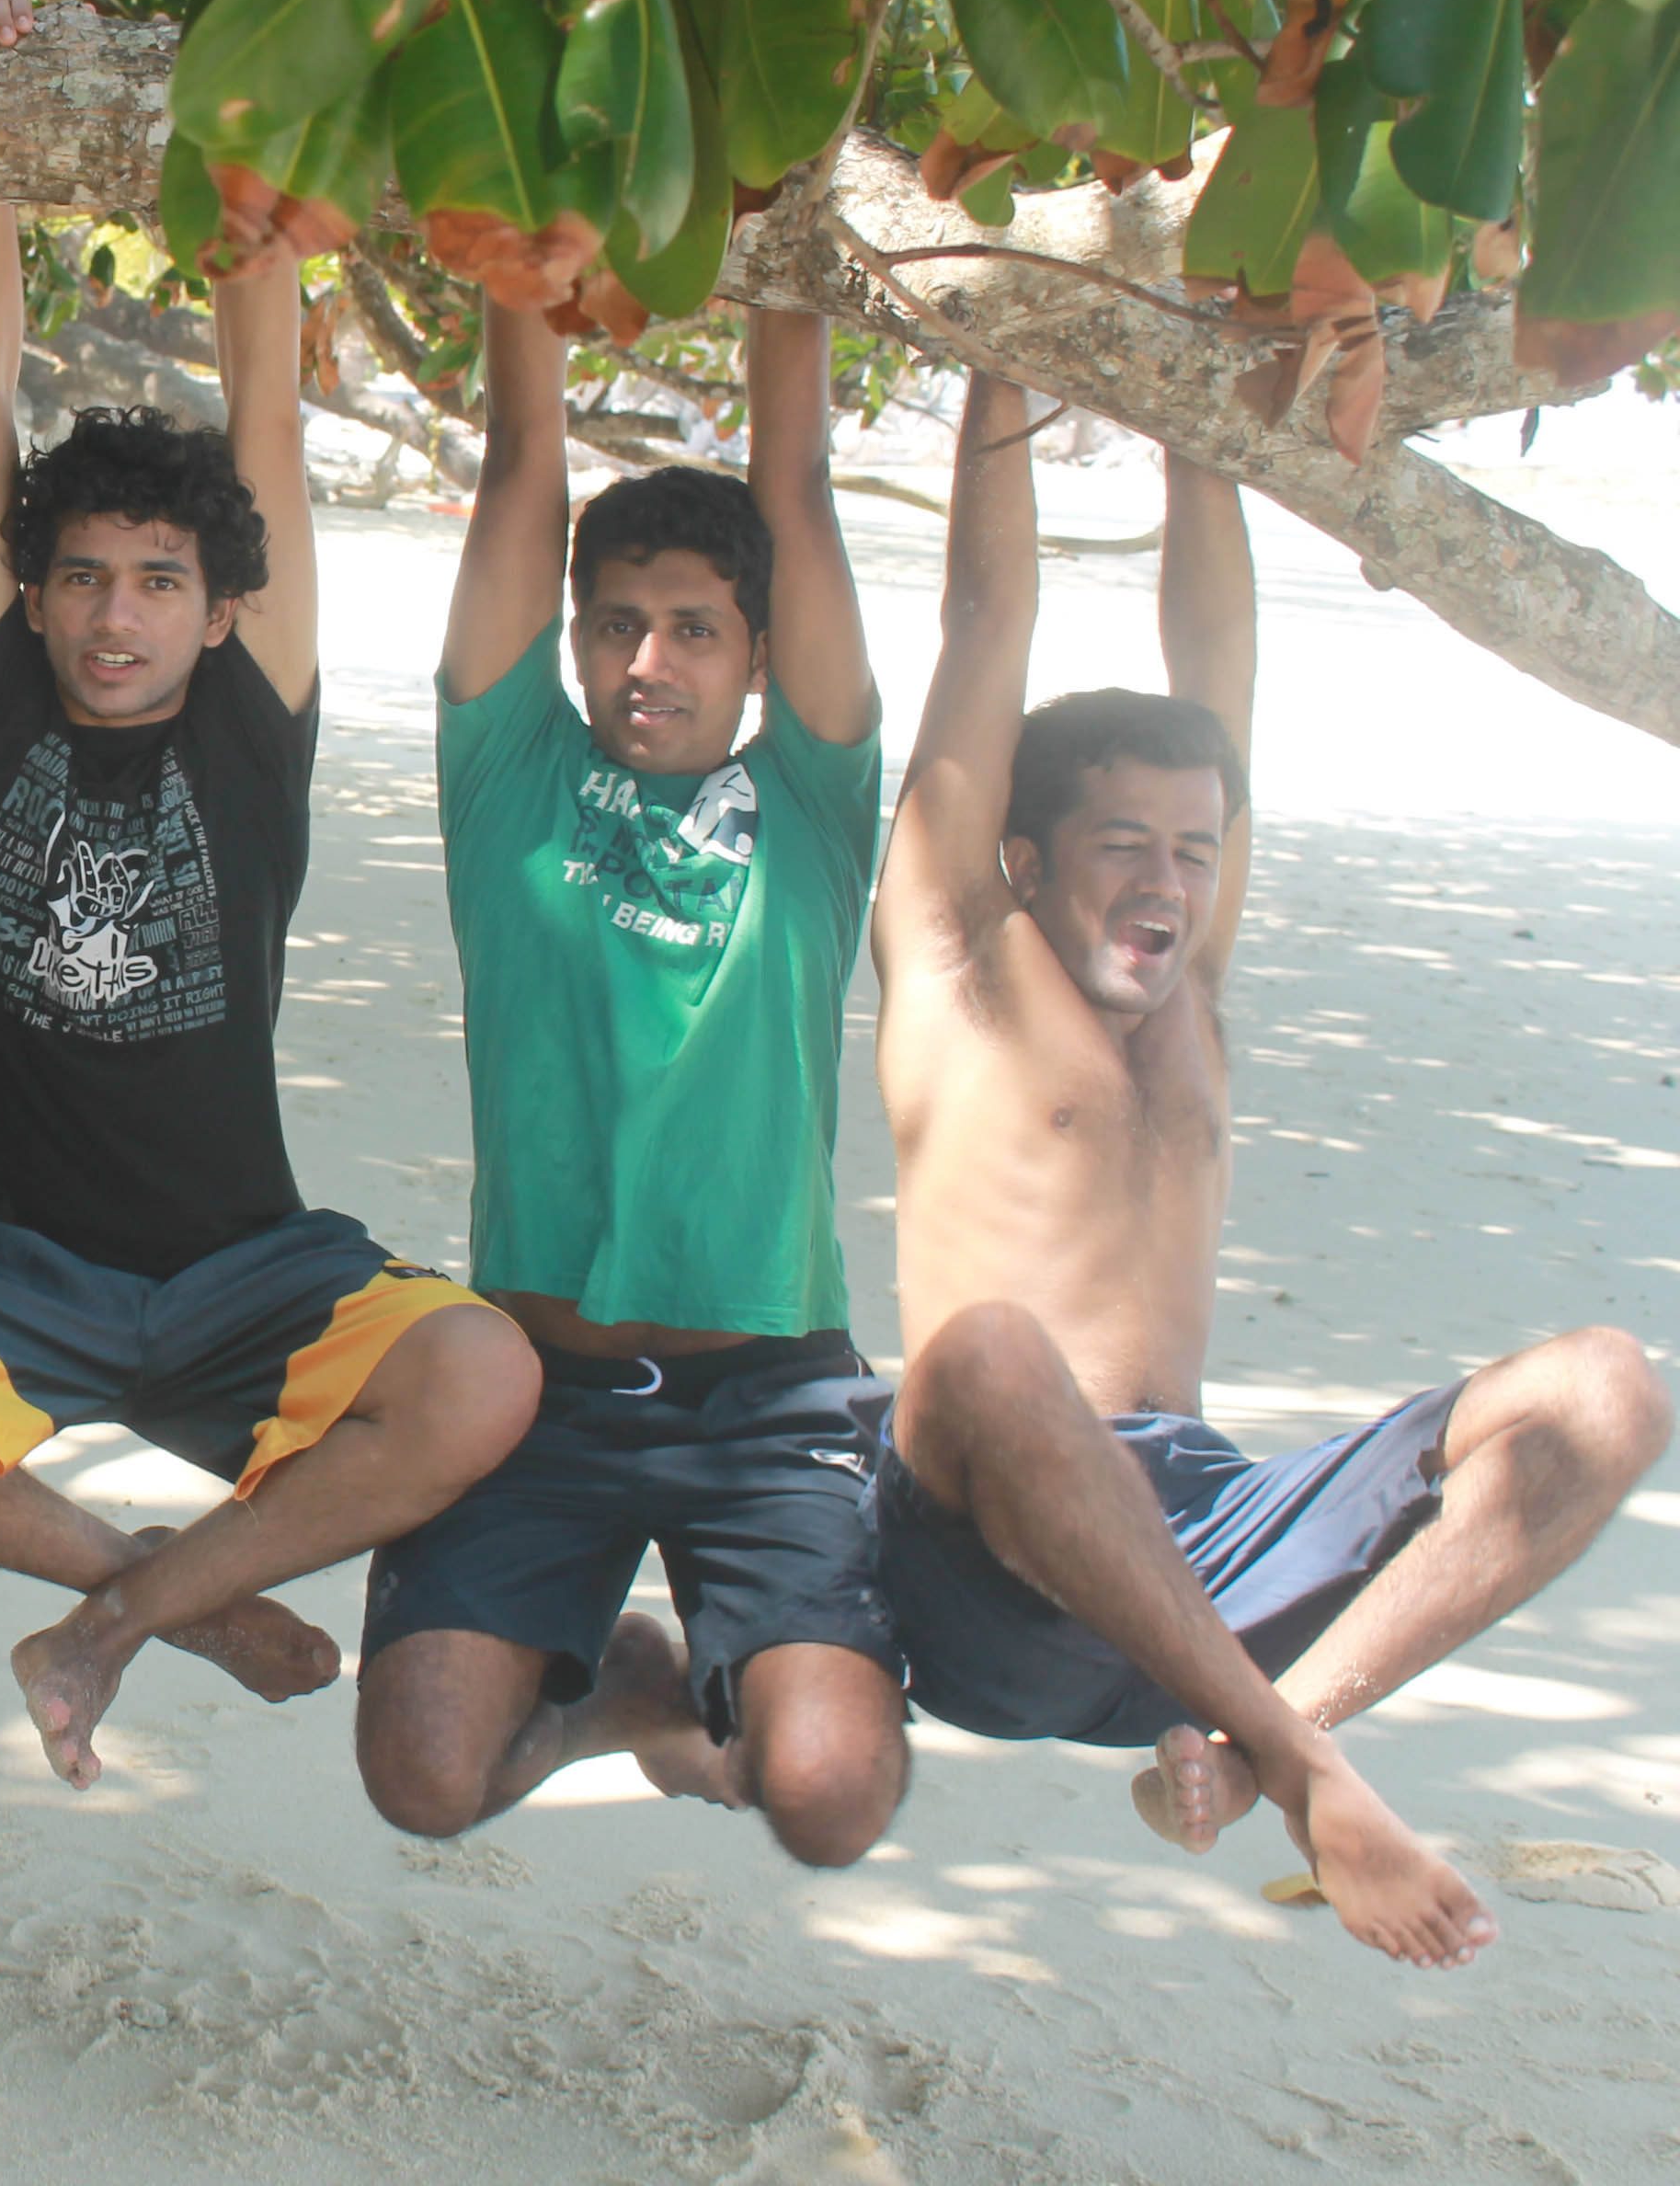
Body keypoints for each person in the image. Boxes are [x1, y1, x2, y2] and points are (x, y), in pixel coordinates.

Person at [0, 0, 538, 1791]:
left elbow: (264, 369)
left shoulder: (256, 718)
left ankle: (114, 1617)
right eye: (87, 576)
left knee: (482, 1379)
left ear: (223, 603)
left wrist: (263, 70)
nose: (119, 614)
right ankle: (157, 1591)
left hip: (239, 1267)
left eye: (162, 579)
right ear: (31, 594)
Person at [869, 374, 1670, 1967]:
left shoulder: (1189, 992)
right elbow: (984, 617)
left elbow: (1218, 664)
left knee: (1608, 1388)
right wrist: (1017, 349)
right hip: (993, 1567)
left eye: (1198, 850)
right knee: (990, 1348)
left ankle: (1263, 1739)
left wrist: (1201, 403)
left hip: (1196, 1548)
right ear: (1026, 857)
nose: (1169, 882)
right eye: (1124, 846)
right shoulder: (960, 960)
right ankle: (1317, 1779)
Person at [353, 303, 905, 1866]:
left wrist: (795, 261)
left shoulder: (810, 801)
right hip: (542, 1383)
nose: (647, 660)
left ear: (762, 659)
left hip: (770, 1389)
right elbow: (522, 476)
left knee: (826, 1804)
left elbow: (796, 488)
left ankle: (738, 1658)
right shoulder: (512, 779)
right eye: (614, 625)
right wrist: (526, 271)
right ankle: (621, 1692)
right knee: (425, 1782)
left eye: (694, 629)